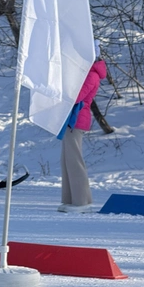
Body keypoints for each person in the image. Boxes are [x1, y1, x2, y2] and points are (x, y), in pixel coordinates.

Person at [58, 40, 107, 213]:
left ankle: (81, 201)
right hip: (71, 118)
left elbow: (77, 96)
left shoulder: (91, 75)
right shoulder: (86, 73)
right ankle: (70, 199)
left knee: (74, 160)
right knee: (66, 160)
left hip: (77, 119)